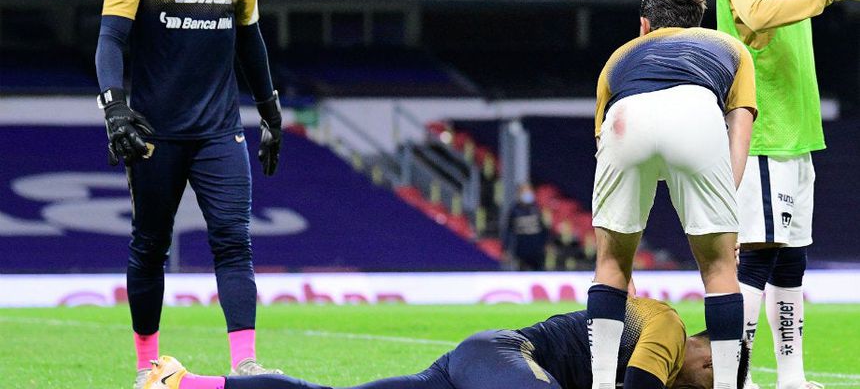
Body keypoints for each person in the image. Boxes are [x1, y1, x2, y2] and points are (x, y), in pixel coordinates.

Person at [94, 0, 284, 386]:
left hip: (220, 131)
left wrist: (269, 111)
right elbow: (111, 40)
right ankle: (146, 367)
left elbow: (250, 42)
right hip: (155, 134)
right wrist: (114, 107)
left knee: (234, 240)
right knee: (149, 245)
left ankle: (245, 363)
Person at [715, 0, 860, 388]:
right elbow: (755, 13)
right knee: (757, 259)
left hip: (793, 140)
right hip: (764, 138)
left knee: (790, 261)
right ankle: (736, 378)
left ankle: (791, 378)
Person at [589, 0, 757, 389]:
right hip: (696, 113)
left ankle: (601, 383)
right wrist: (726, 209)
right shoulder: (730, 48)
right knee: (718, 268)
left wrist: (615, 259)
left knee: (610, 265)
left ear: (644, 25)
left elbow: (603, 144)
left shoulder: (618, 58)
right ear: (697, 23)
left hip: (627, 117)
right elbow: (740, 129)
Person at [141, 296, 750, 389]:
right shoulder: (669, 328)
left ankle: (186, 381)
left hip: (476, 366)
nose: (712, 383)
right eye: (719, 374)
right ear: (706, 348)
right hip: (506, 357)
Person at [503, 183, 550, 270]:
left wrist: (547, 242)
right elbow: (508, 231)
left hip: (537, 251)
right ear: (519, 194)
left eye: (529, 191)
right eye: (525, 192)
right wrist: (506, 249)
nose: (528, 194)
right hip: (521, 251)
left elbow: (545, 228)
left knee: (539, 273)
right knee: (522, 274)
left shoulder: (538, 208)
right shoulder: (514, 210)